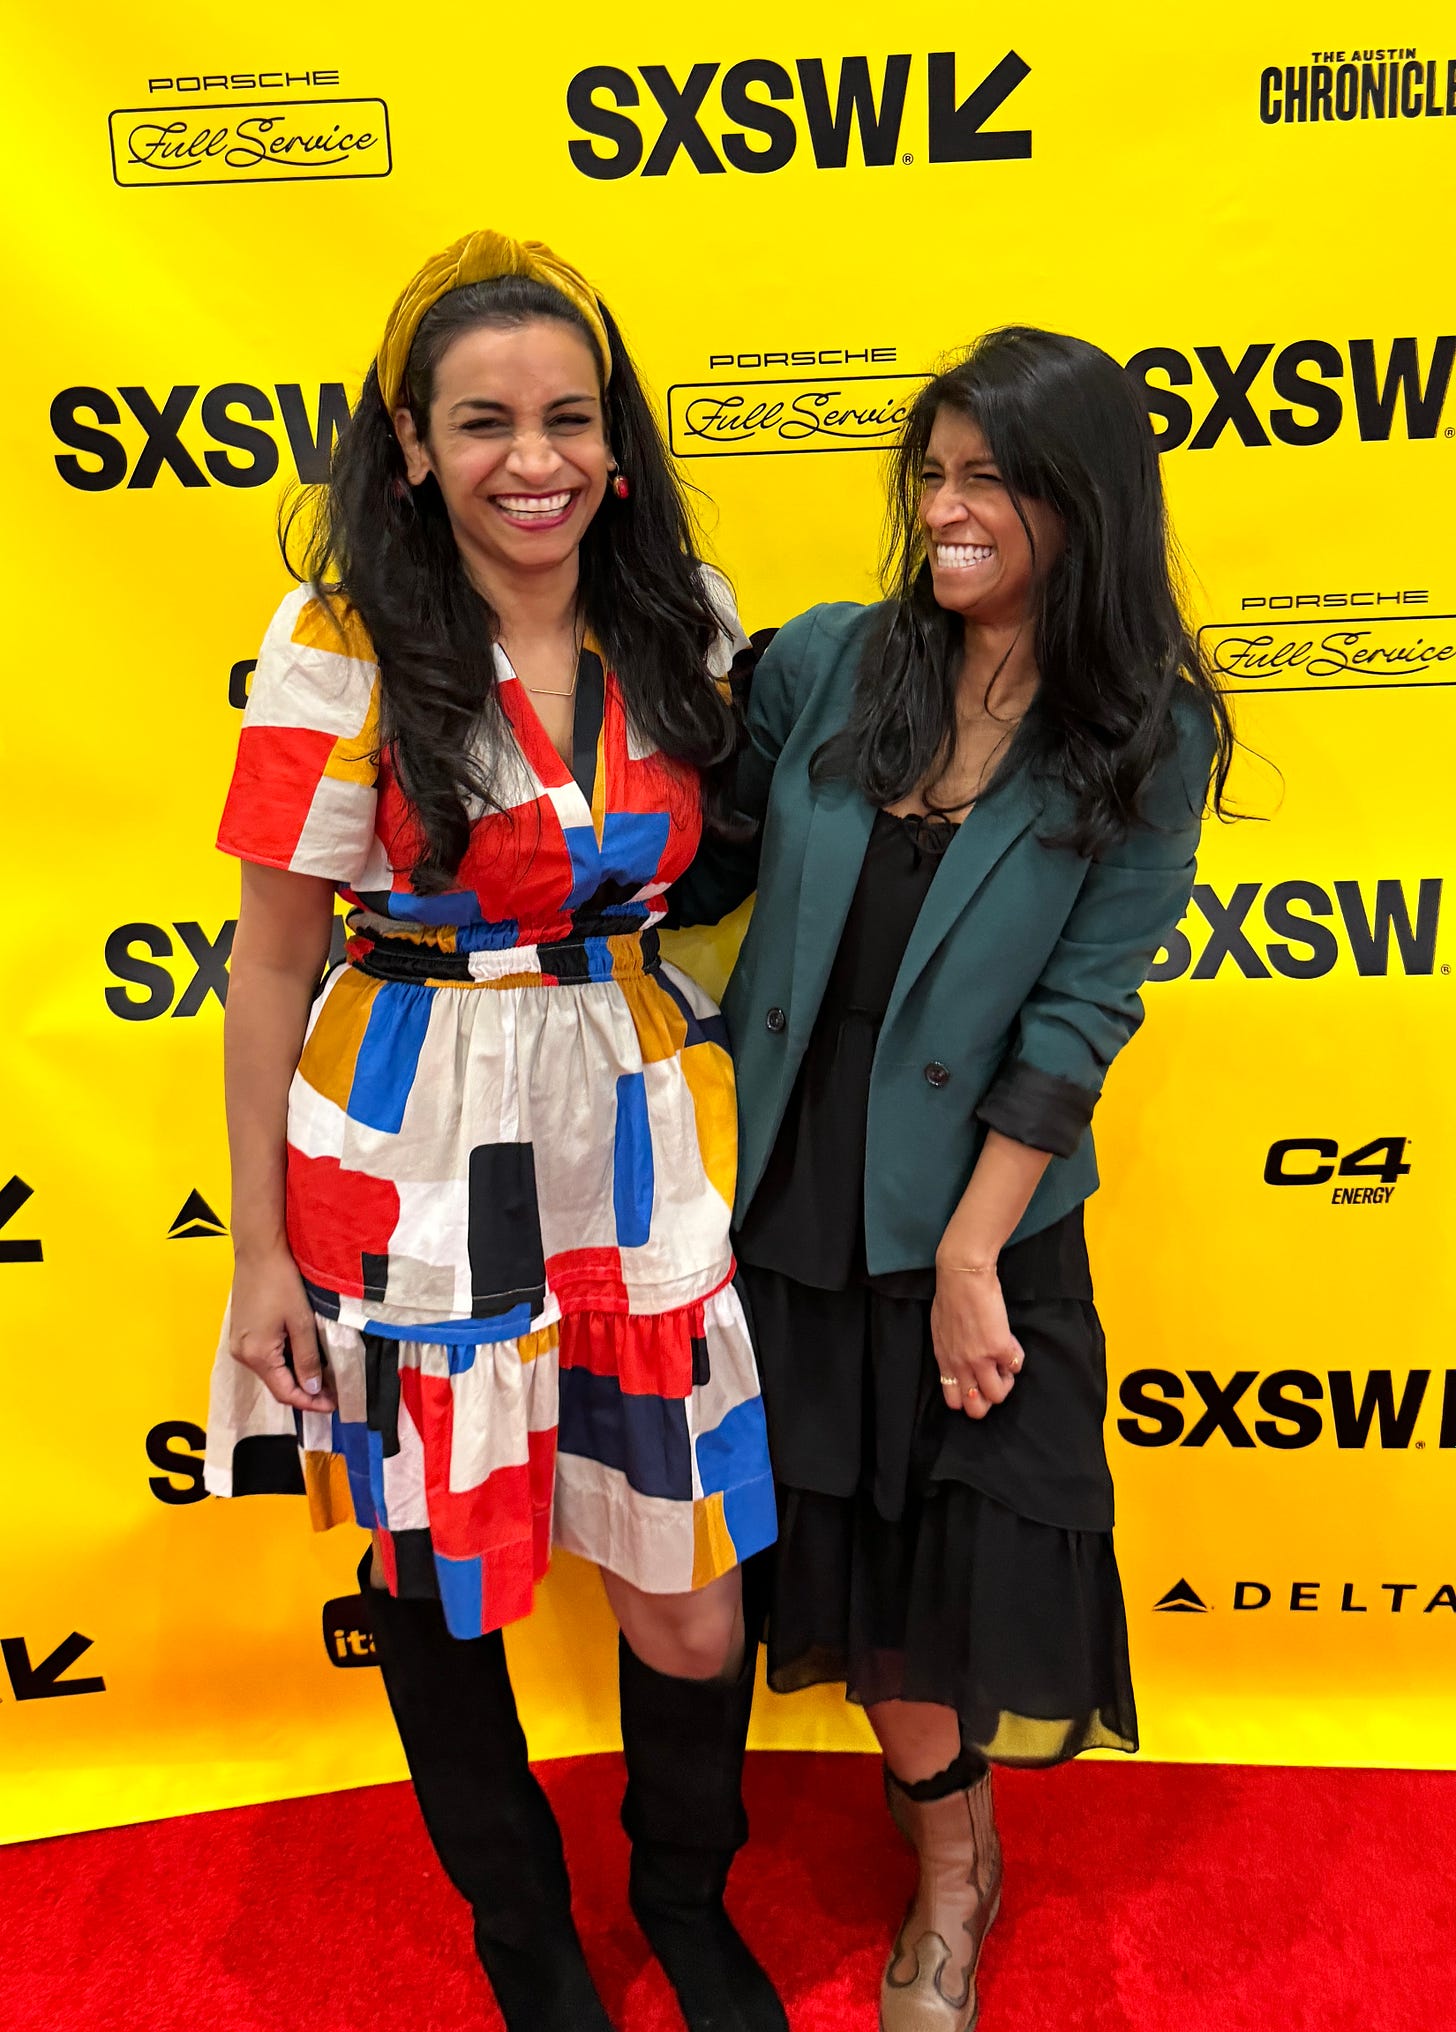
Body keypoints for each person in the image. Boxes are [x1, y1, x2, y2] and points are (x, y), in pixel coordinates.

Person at [203, 229, 787, 2032]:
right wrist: (254, 1258)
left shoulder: (680, 608)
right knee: (443, 1590)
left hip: (619, 1109)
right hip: (406, 1138)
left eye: (568, 418)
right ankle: (529, 1947)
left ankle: (684, 1897)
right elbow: (270, 962)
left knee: (689, 1592)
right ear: (408, 445)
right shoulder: (340, 646)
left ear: (612, 441)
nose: (532, 460)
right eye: (482, 423)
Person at [670, 327, 1233, 2031]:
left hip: (979, 1208)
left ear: (1085, 499)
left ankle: (954, 1886)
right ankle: (953, 1850)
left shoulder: (1149, 727)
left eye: (990, 477)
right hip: (794, 1193)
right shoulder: (836, 663)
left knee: (952, 1579)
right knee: (854, 1584)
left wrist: (981, 1257)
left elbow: (1080, 1012)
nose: (949, 509)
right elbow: (712, 857)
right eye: (934, 472)